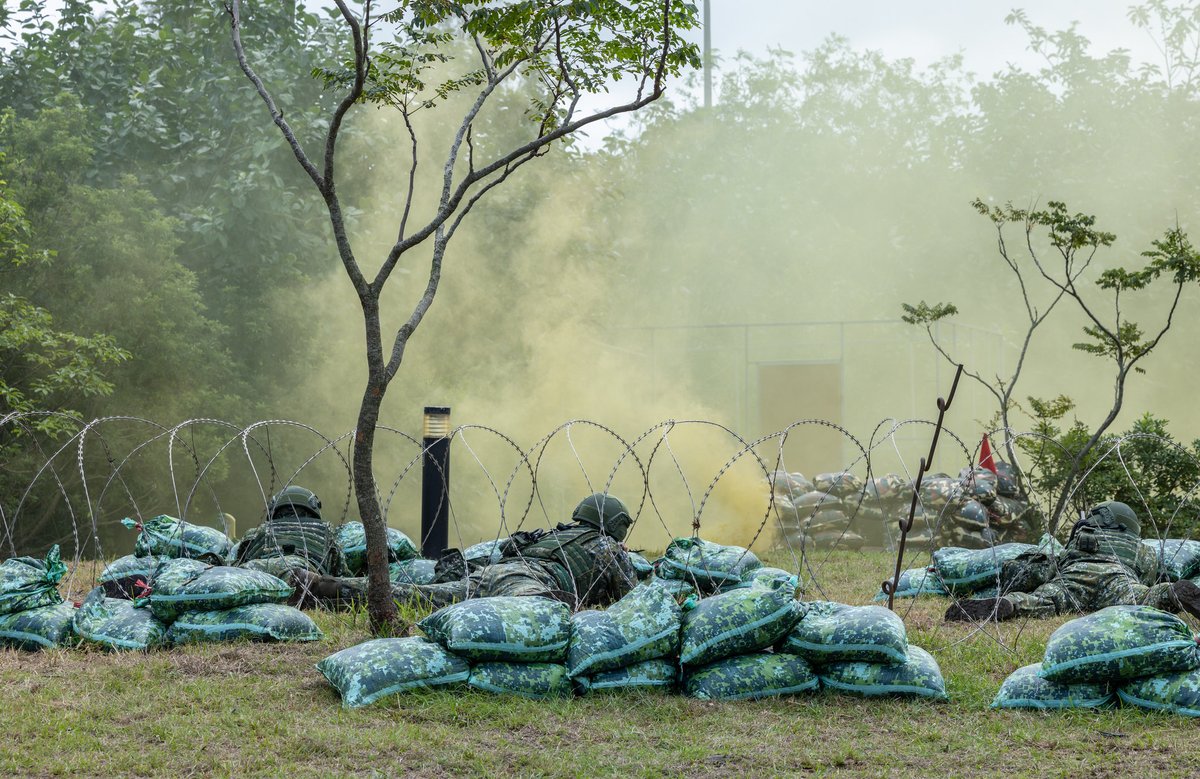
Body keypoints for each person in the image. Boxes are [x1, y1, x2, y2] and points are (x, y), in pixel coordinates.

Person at [291, 492, 638, 611]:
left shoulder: (552, 534)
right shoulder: (608, 547)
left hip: (492, 573)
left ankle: (322, 587)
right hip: (531, 582)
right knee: (539, 616)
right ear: (616, 524)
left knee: (419, 596)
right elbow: (631, 599)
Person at [945, 500, 1200, 622]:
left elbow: (1054, 567)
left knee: (1045, 601)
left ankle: (1009, 605)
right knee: (1145, 599)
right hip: (1118, 580)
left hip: (1073, 578)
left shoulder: (1081, 539)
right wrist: (1162, 587)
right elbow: (1146, 575)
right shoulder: (1141, 549)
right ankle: (1174, 594)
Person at [235, 485, 342, 576]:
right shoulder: (326, 530)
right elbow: (340, 572)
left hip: (256, 572)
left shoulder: (255, 532)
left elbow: (236, 564)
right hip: (303, 574)